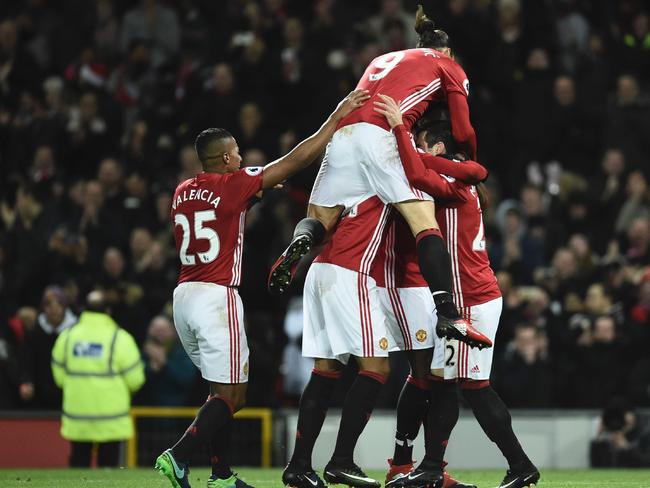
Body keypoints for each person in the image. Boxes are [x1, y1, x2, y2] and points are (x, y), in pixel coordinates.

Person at [154, 89, 369, 488]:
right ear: (223, 159)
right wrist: (336, 116)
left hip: (183, 297)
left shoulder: (183, 191)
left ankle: (219, 475)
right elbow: (295, 160)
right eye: (235, 153)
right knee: (234, 397)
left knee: (219, 393)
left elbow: (218, 211)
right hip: (217, 298)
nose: (241, 157)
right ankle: (178, 455)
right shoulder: (232, 183)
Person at [268, 5, 491, 351]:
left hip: (345, 132)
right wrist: (469, 157)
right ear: (445, 50)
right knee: (424, 224)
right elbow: (462, 128)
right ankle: (448, 311)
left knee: (319, 217)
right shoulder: (448, 65)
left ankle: (299, 244)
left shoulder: (384, 57)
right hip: (383, 134)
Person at [374, 95, 539, 488]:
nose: (420, 151)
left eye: (425, 145)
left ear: (440, 147)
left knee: (475, 388)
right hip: (466, 298)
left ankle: (521, 466)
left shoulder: (456, 183)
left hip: (475, 300)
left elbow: (416, 173)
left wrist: (399, 128)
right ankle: (431, 466)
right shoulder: (465, 177)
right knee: (442, 380)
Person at [51, 291, 145, 468]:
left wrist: (72, 385)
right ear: (108, 311)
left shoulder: (68, 336)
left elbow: (58, 373)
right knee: (108, 470)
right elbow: (136, 380)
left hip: (78, 416)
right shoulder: (120, 338)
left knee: (78, 466)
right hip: (112, 419)